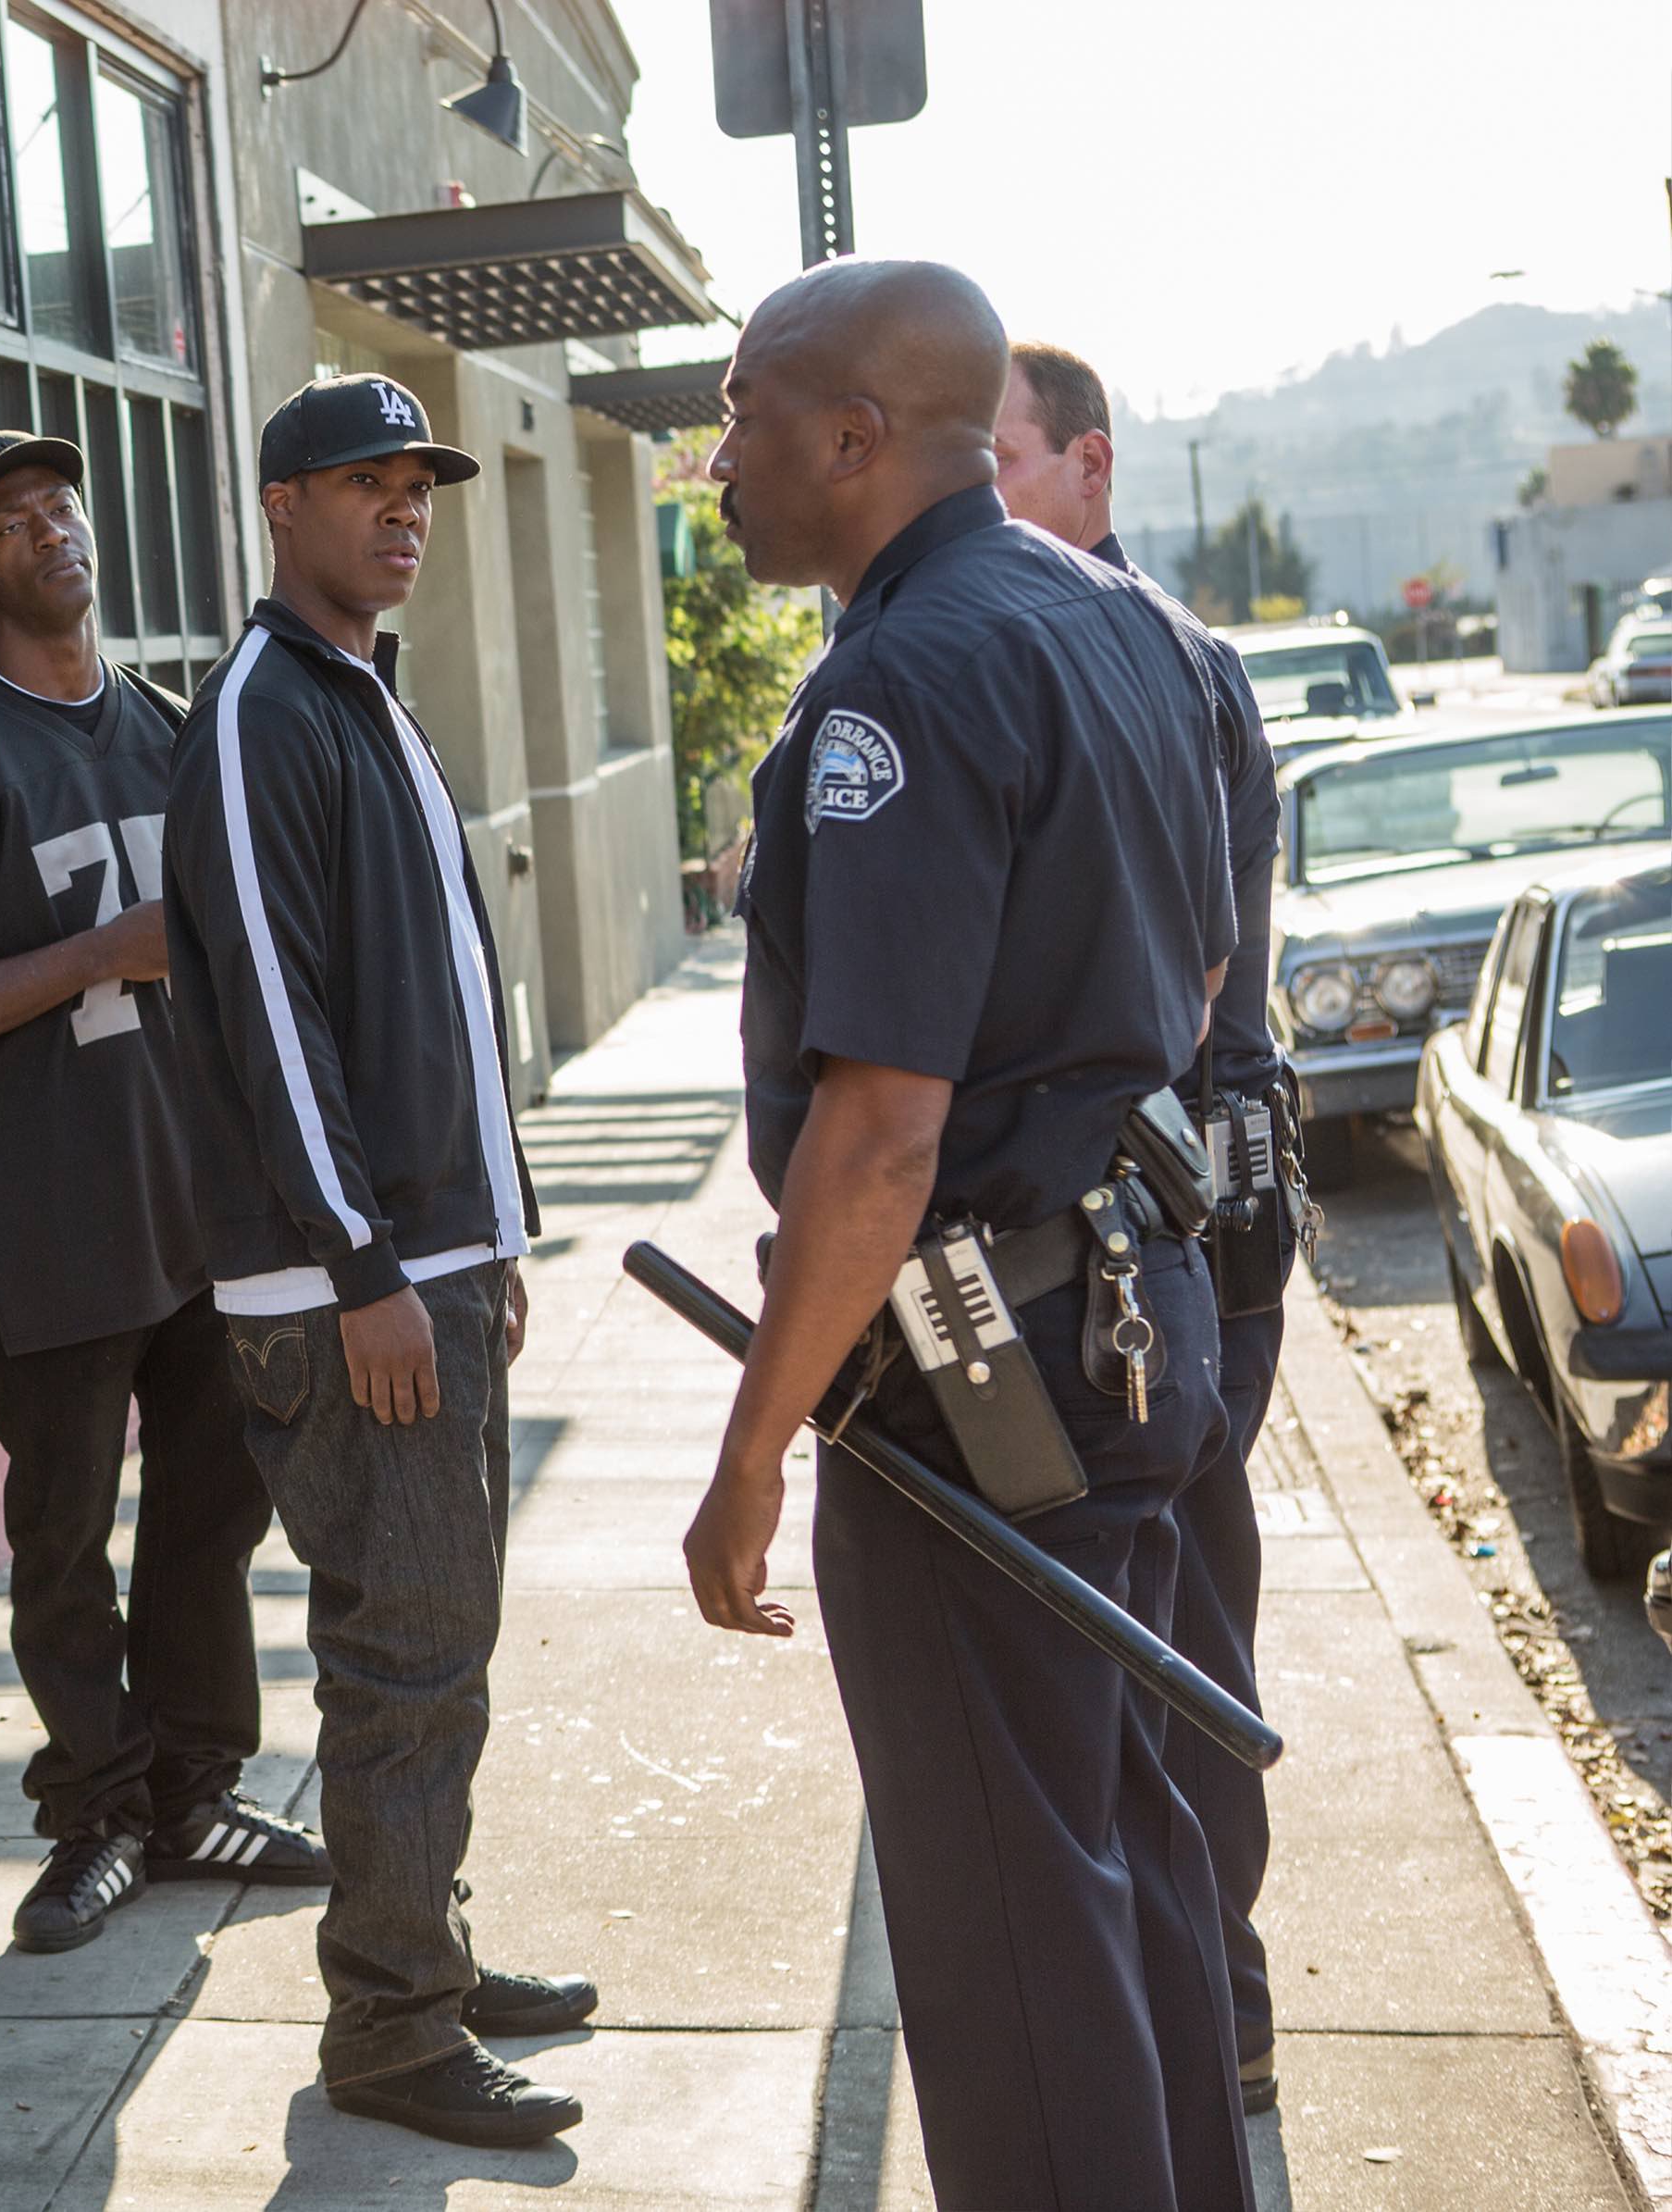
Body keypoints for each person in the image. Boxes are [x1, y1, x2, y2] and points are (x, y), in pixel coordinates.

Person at [684, 259, 1252, 2211]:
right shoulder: (1125, 621)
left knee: (1013, 1934)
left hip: (975, 1359)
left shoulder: (905, 678)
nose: (720, 454)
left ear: (855, 439)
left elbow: (877, 1136)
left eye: (748, 415)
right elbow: (1197, 969)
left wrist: (752, 1453)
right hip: (1130, 1317)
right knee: (1118, 1842)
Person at [164, 373, 596, 2151]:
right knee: (401, 1651)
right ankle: (395, 2032)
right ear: (281, 504)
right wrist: (363, 1268)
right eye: (363, 483)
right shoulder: (267, 707)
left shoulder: (366, 696)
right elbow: (275, 1015)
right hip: (340, 1287)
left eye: (416, 484)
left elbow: (427, 1008)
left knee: (436, 1640)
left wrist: (483, 1236)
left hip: (419, 1262)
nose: (400, 509)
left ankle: (417, 1940)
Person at [0, 432, 329, 1956]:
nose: (48, 527)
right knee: (60, 1541)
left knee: (208, 1517)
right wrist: (92, 955)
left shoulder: (180, 731)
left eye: (61, 503)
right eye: (8, 517)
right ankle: (95, 1813)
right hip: (46, 1215)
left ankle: (192, 1789)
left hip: (200, 1204)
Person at [995, 339, 1293, 2116]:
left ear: (1087, 467)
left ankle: (1218, 2008)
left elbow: (1175, 991)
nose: (980, 495)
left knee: (1175, 1633)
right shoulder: (1060, 646)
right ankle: (1169, 1992)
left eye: (1003, 458)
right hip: (1131, 1219)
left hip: (1175, 1217)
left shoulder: (1153, 661)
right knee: (1128, 1621)